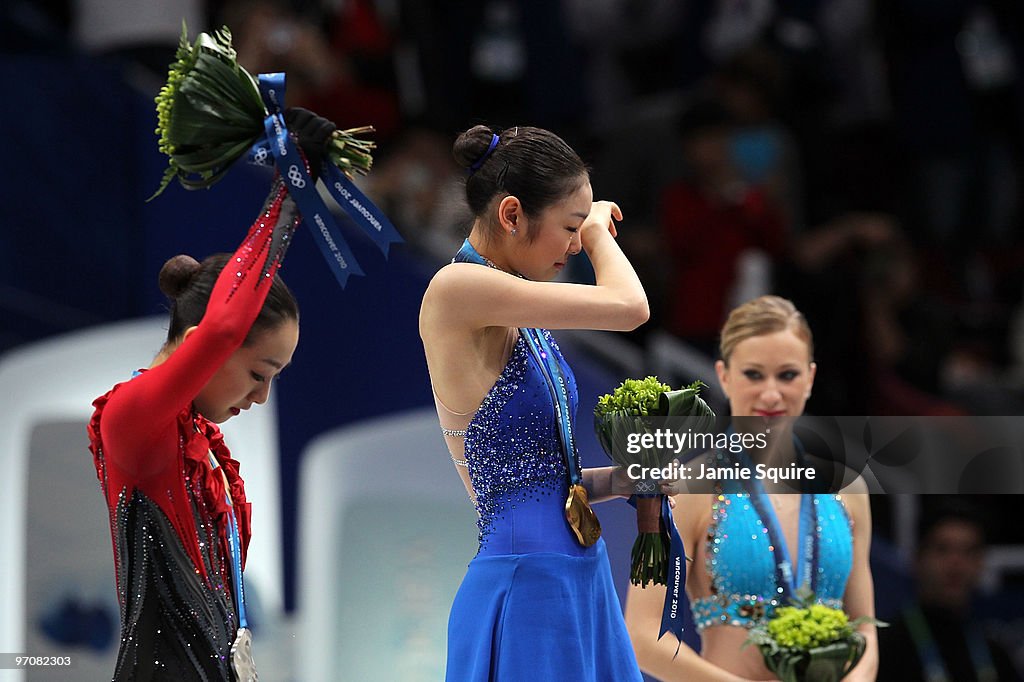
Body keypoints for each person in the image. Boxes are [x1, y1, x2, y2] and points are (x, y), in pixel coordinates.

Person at [88, 109, 334, 681]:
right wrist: (290, 189)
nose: (263, 396)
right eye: (259, 372)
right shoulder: (131, 418)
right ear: (202, 345)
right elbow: (226, 327)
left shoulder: (198, 439)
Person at [419, 124, 649, 680]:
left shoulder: (516, 309)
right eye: (568, 227)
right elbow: (630, 306)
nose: (574, 245)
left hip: (576, 573)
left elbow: (545, 483)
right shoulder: (457, 290)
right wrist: (599, 234)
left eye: (580, 230)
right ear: (512, 214)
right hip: (528, 585)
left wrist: (631, 477)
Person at [625, 295, 878, 681]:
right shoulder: (684, 490)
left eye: (788, 375)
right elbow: (641, 636)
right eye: (754, 375)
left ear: (810, 377)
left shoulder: (849, 490)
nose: (772, 394)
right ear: (724, 376)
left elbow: (864, 627)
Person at [877, 500, 1023, 682]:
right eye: (943, 549)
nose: (956, 564)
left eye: (968, 551)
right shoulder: (885, 647)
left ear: (981, 563)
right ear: (917, 558)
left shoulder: (995, 654)